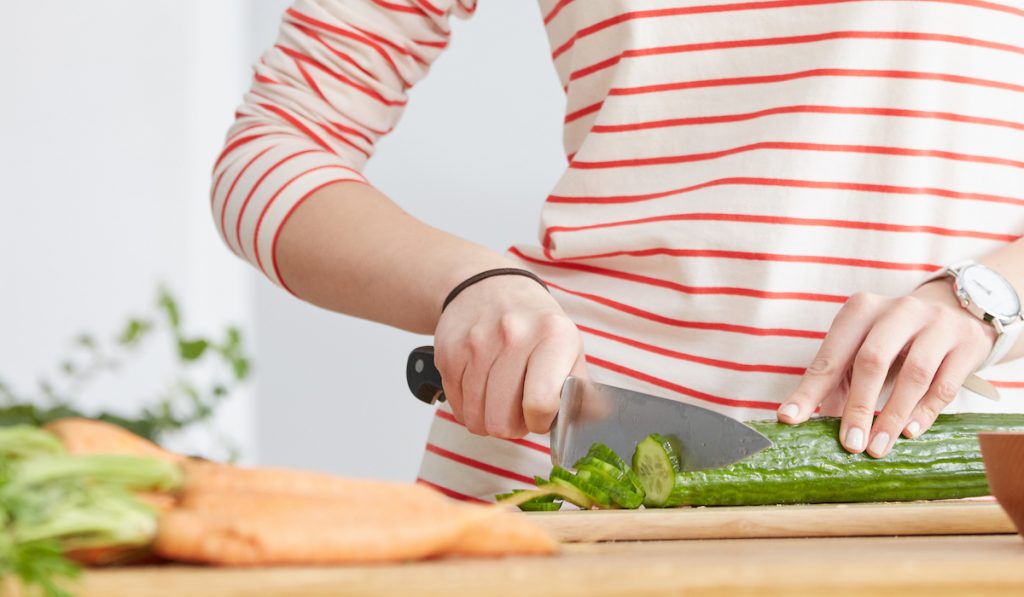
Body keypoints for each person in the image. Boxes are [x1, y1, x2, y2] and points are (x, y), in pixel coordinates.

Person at [212, 0, 1024, 502]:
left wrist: (990, 294)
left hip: (953, 488)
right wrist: (470, 284)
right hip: (573, 484)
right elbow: (272, 147)